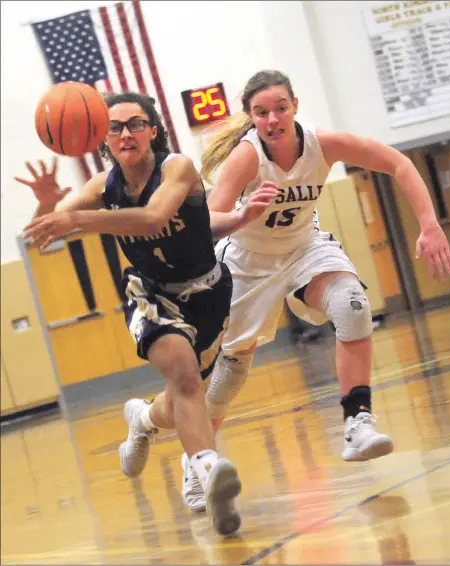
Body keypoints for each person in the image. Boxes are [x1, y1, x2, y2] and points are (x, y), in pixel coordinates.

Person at [177, 69, 450, 512]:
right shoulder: (247, 159)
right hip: (248, 264)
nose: (272, 119)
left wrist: (429, 223)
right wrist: (244, 214)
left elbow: (398, 163)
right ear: (251, 118)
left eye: (280, 108)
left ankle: (357, 422)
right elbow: (207, 222)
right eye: (261, 112)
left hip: (304, 248)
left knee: (351, 305)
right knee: (228, 378)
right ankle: (196, 463)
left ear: (295, 106)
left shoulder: (322, 144)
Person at [15, 92, 278, 535]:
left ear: (153, 131)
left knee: (182, 392)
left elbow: (155, 219)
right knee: (186, 376)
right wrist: (47, 206)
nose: (125, 133)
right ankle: (209, 473)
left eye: (136, 124)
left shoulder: (176, 168)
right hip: (150, 292)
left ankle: (142, 419)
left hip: (209, 292)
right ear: (104, 138)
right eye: (115, 127)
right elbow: (47, 230)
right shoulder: (101, 188)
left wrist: (81, 220)